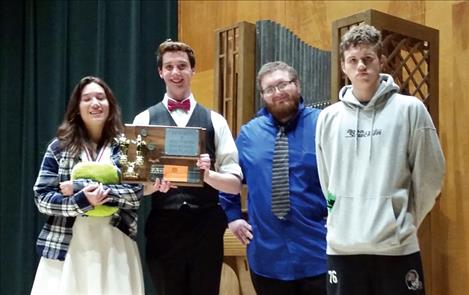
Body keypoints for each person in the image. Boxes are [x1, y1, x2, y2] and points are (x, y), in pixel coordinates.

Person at [315, 24, 445, 295]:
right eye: (353, 60)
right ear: (343, 67)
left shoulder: (411, 110)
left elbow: (430, 177)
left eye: (368, 59)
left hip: (396, 248)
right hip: (343, 248)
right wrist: (339, 214)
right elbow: (328, 181)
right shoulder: (328, 118)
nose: (361, 66)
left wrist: (402, 221)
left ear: (381, 62)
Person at [133, 40, 242, 295]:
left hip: (206, 226)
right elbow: (136, 187)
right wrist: (153, 186)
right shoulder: (143, 120)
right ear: (160, 72)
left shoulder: (216, 120)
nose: (175, 72)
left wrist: (209, 174)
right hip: (163, 226)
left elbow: (235, 185)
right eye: (169, 67)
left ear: (193, 70)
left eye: (182, 66)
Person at [220, 61, 327, 295]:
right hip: (268, 258)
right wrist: (233, 216)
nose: (277, 93)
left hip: (318, 253)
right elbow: (231, 178)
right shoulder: (249, 134)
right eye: (269, 89)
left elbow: (342, 178)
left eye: (283, 84)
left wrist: (336, 212)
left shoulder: (323, 125)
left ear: (297, 85)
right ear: (262, 95)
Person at [31, 76, 145, 294]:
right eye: (87, 99)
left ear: (110, 105)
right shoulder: (59, 147)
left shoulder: (129, 145)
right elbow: (42, 197)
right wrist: (80, 200)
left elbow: (136, 192)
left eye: (101, 98)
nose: (95, 103)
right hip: (69, 241)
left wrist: (79, 187)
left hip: (115, 239)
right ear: (76, 108)